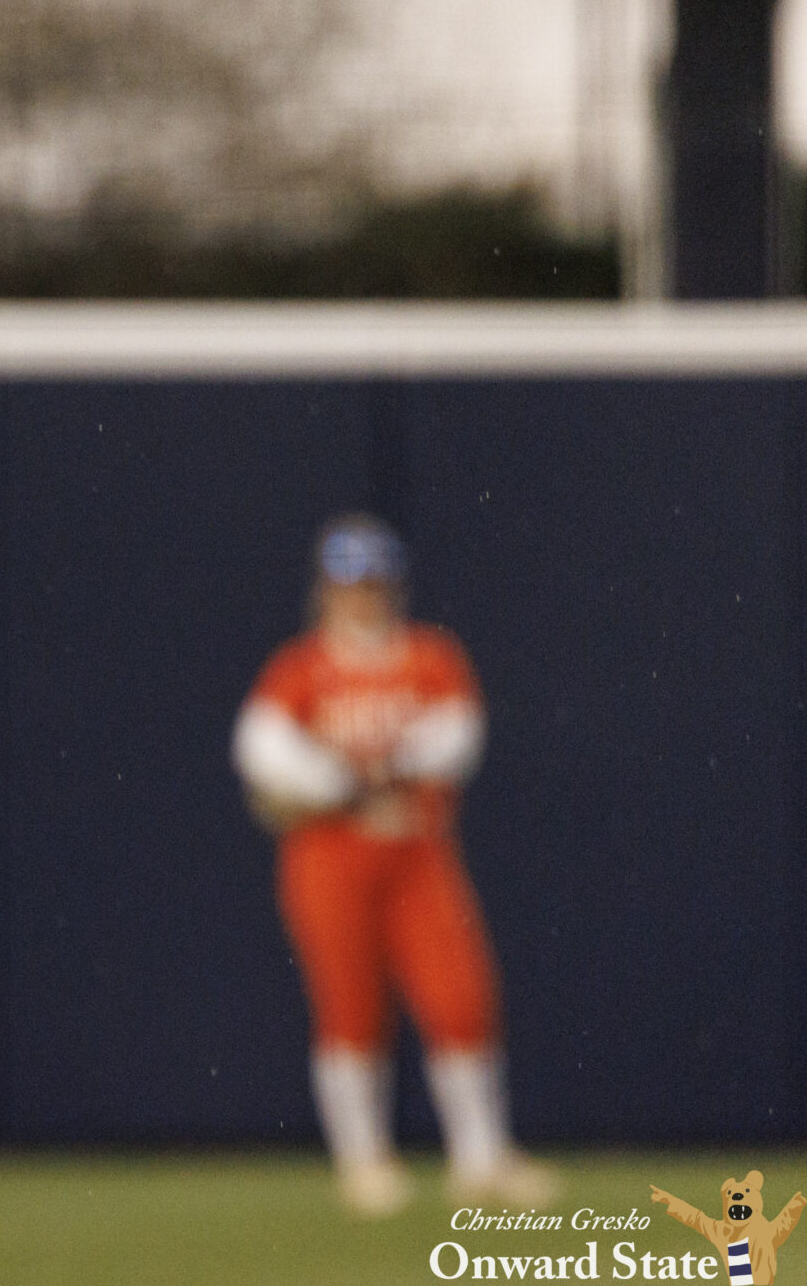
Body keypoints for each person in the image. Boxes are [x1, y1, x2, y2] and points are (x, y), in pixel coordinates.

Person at [232, 515, 556, 1217]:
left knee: (459, 995)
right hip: (329, 858)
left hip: (416, 855)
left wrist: (384, 765)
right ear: (326, 591)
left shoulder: (429, 657)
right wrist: (344, 782)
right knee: (349, 1005)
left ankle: (482, 1157)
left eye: (373, 584)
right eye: (350, 585)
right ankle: (363, 1160)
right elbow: (261, 749)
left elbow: (458, 736)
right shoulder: (301, 668)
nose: (362, 598)